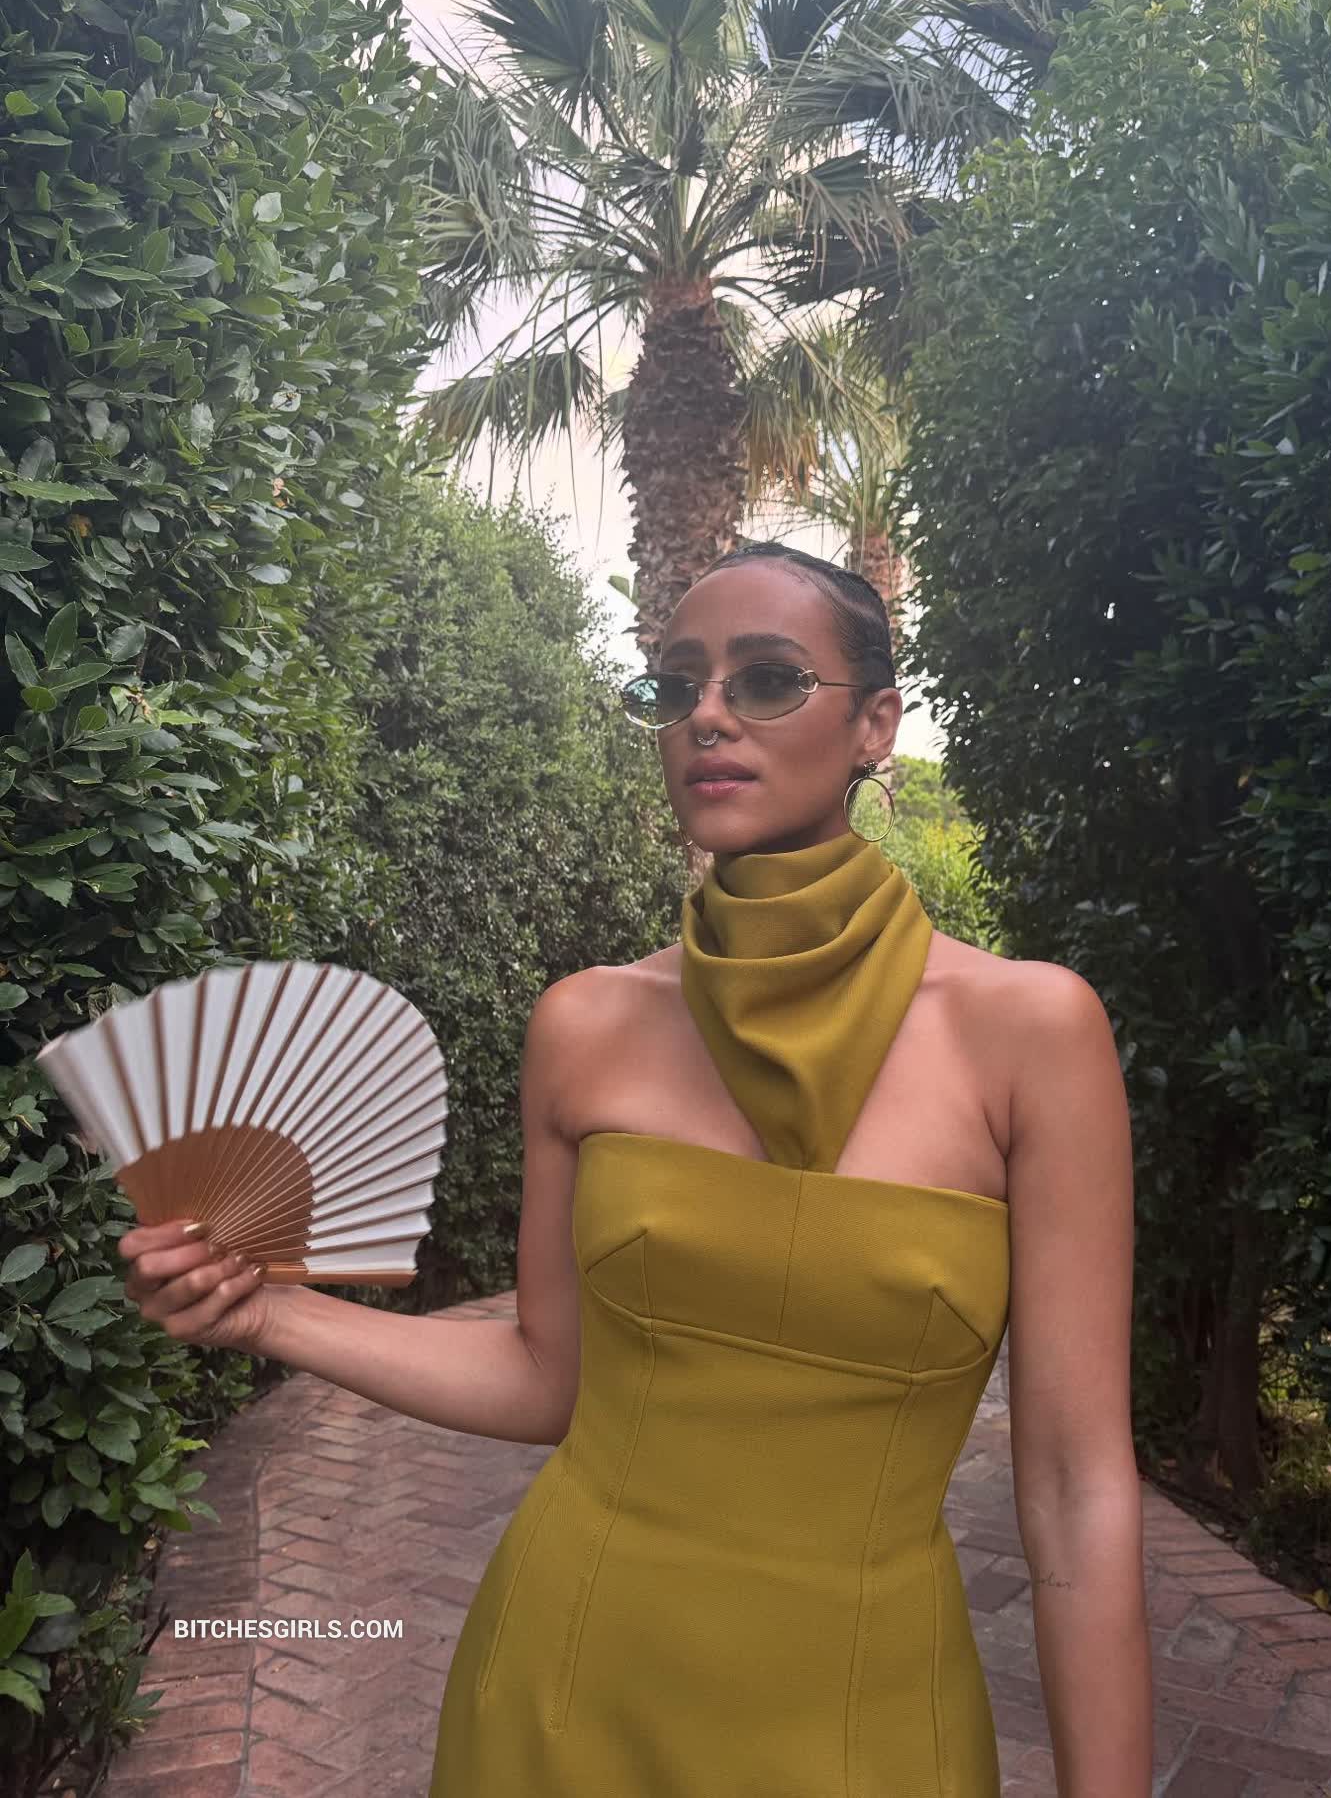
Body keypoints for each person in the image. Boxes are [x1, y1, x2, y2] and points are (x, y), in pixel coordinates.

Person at [118, 541, 1153, 1796]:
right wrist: (267, 1312)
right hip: (562, 1690)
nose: (707, 714)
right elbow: (544, 1375)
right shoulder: (587, 1024)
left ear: (877, 723)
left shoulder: (1032, 1033)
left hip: (869, 1719)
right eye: (674, 685)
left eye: (767, 679)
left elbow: (1076, 1489)